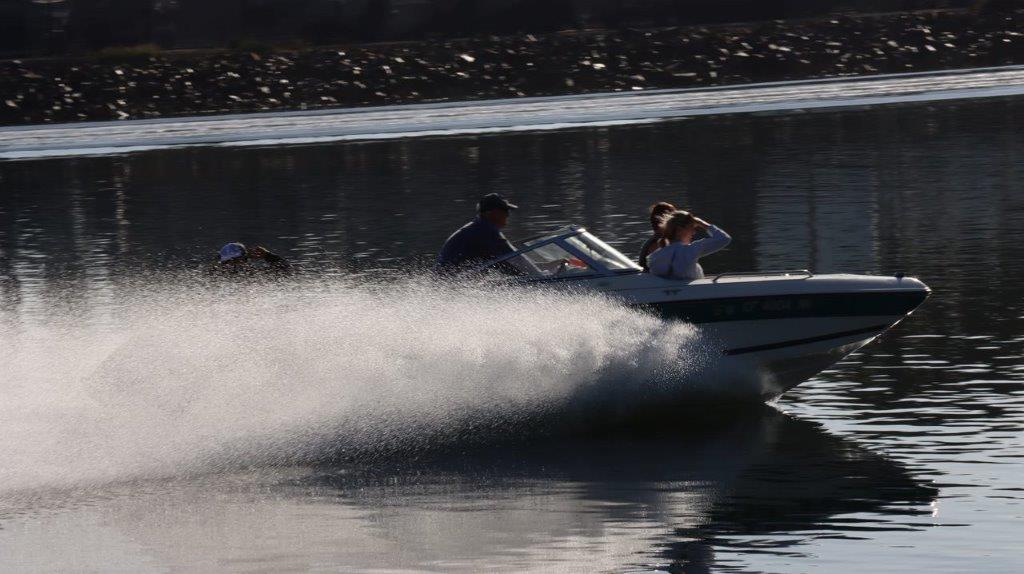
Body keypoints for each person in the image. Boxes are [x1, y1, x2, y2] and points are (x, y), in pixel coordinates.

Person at [436, 193, 520, 273]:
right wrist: (532, 278)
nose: (507, 215)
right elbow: (515, 257)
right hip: (452, 278)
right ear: (492, 213)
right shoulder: (486, 230)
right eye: (505, 212)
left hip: (447, 275)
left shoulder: (478, 226)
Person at [646, 211, 731, 280]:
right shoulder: (692, 250)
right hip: (694, 293)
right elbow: (724, 239)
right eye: (692, 228)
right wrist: (702, 224)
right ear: (680, 230)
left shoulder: (654, 256)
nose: (694, 233)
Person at [638, 201, 677, 271]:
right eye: (674, 219)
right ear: (666, 220)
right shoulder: (656, 244)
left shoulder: (660, 240)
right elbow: (660, 270)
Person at [213, 242, 291, 275]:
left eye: (243, 260)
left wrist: (267, 255)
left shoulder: (248, 273)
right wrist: (268, 255)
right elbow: (286, 270)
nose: (242, 263)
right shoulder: (248, 275)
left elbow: (286, 271)